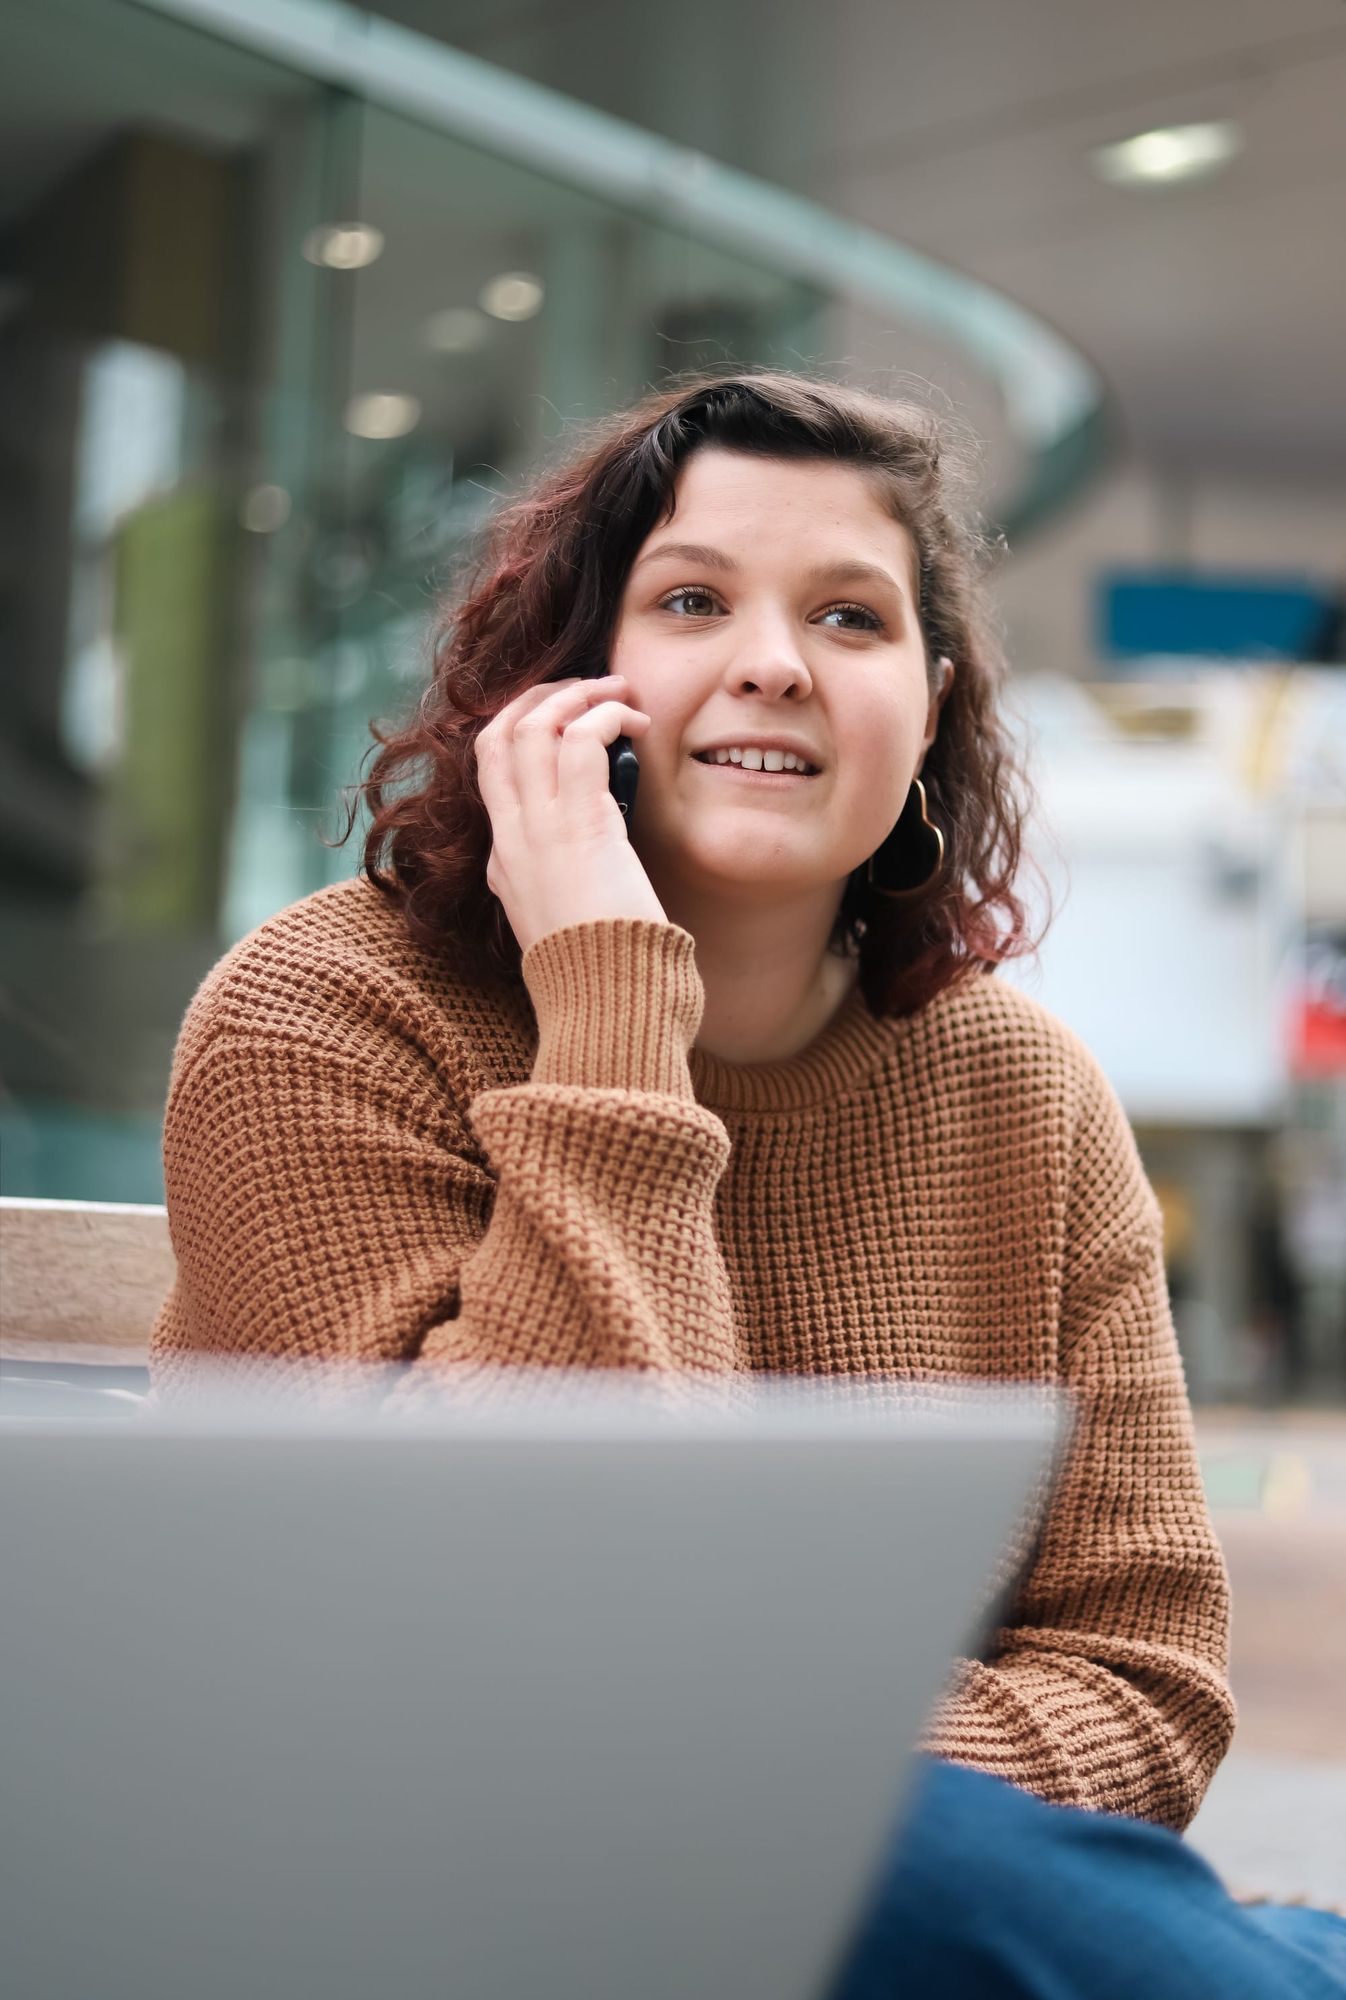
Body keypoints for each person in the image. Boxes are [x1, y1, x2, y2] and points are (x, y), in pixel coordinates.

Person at [151, 373, 1346, 1992]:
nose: (774, 663)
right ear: (566, 677)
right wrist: (606, 995)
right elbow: (496, 1609)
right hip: (426, 1896)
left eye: (847, 619)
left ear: (924, 710)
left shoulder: (1023, 1091)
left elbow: (1142, 1672)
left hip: (898, 1906)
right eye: (693, 599)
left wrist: (795, 1778)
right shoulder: (325, 1013)